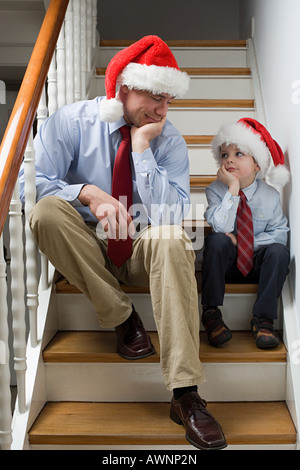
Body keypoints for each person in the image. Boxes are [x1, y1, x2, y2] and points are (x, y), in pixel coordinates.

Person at [19, 36, 227, 450]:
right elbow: (32, 182)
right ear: (126, 88)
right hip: (86, 247)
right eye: (155, 98)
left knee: (171, 239)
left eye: (169, 101)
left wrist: (142, 151)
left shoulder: (169, 142)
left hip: (140, 245)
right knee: (45, 212)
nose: (163, 111)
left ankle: (185, 393)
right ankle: (121, 316)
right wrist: (86, 193)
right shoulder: (72, 121)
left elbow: (172, 216)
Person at [201, 118, 290, 349]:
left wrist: (243, 242)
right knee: (217, 240)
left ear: (257, 164)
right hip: (227, 266)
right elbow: (221, 227)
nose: (229, 159)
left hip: (256, 266)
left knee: (279, 252)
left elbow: (279, 234)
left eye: (239, 153)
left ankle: (263, 319)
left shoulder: (269, 195)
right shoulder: (215, 190)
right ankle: (211, 313)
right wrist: (232, 189)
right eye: (224, 155)